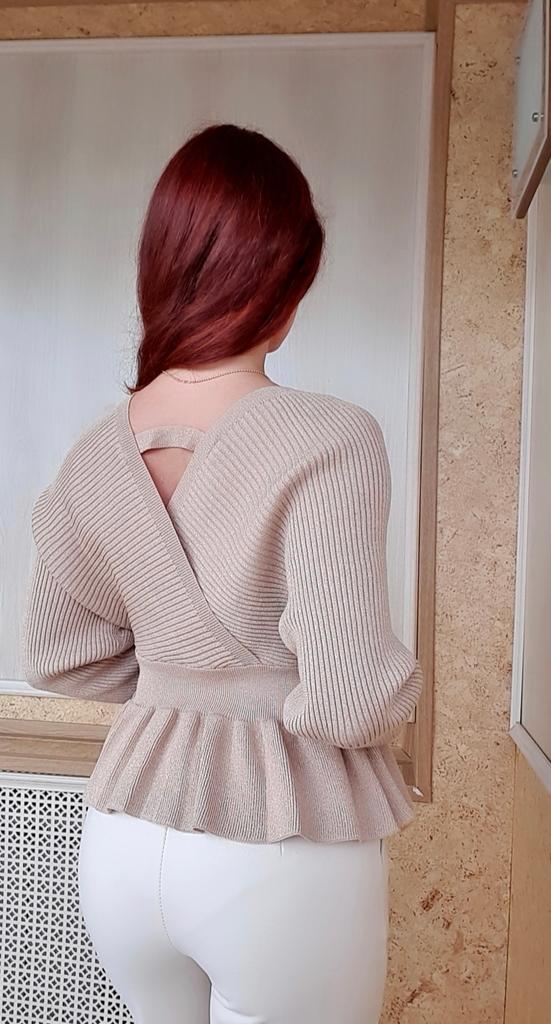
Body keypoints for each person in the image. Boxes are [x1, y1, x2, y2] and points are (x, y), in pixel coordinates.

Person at [21, 123, 424, 1024]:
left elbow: (57, 654)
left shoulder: (92, 452)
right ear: (289, 277)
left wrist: (182, 683)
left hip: (124, 837)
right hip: (280, 843)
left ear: (160, 268)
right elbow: (348, 700)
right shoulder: (330, 436)